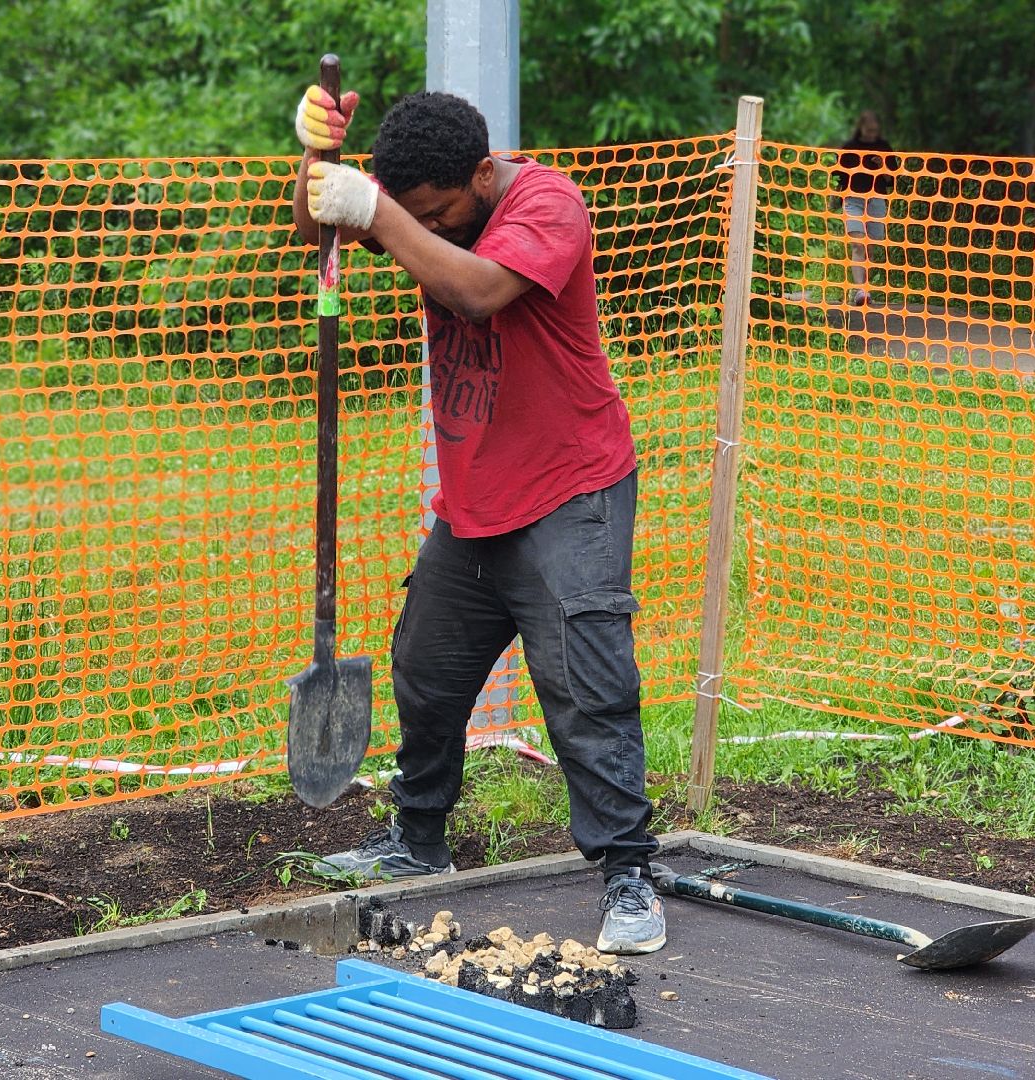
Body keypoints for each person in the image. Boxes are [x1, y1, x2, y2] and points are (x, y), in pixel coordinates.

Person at [288, 85, 666, 956]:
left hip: (572, 492)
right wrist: (317, 161)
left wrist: (378, 212)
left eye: (442, 211)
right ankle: (417, 843)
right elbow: (318, 230)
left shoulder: (547, 203)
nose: (434, 227)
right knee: (424, 671)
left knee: (586, 685)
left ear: (484, 173)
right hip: (477, 501)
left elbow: (479, 292)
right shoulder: (426, 211)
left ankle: (628, 875)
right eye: (415, 212)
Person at [833, 110, 896, 306]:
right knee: (858, 244)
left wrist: (882, 166)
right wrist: (834, 198)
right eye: (868, 130)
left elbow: (891, 180)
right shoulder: (849, 148)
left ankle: (866, 288)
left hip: (877, 199)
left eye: (875, 130)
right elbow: (838, 176)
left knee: (871, 248)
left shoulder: (884, 147)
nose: (872, 134)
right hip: (853, 200)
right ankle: (860, 290)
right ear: (860, 127)